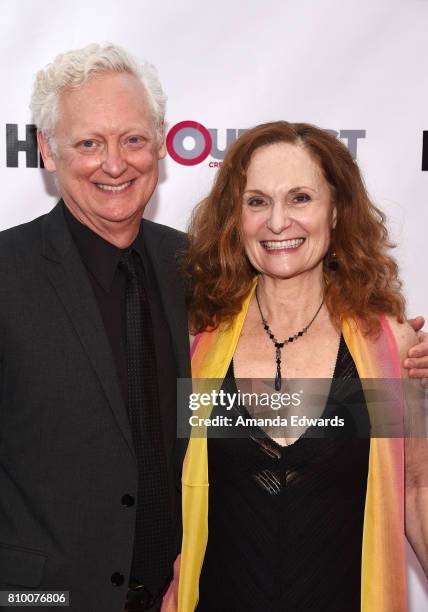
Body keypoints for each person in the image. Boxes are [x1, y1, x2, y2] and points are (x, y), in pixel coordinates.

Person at [178, 121, 428, 611]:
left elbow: (418, 492)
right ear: (236, 216)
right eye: (257, 201)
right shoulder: (197, 341)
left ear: (335, 211)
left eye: (299, 198)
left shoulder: (387, 346)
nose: (277, 222)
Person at [0, 44, 190, 612]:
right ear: (49, 152)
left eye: (133, 139)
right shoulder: (6, 273)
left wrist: (385, 365)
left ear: (160, 142)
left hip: (184, 595)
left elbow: (250, 409)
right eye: (89, 143)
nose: (115, 163)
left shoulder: (202, 270)